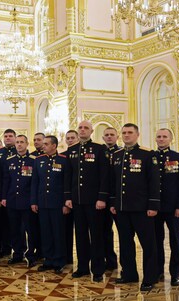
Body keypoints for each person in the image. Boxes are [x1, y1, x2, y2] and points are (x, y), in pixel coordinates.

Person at [109, 123, 160, 291]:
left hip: (142, 208)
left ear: (137, 135)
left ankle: (150, 277)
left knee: (148, 244)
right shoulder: (117, 155)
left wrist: (153, 205)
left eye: (130, 132)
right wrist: (113, 202)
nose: (126, 135)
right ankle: (129, 273)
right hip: (122, 208)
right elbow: (114, 182)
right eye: (124, 133)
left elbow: (154, 182)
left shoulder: (147, 154)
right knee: (125, 243)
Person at [65, 121, 109, 282]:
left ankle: (97, 269)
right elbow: (68, 176)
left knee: (96, 235)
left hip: (94, 201)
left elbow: (104, 175)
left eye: (86, 128)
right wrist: (68, 197)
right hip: (77, 200)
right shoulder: (72, 150)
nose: (82, 130)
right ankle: (82, 267)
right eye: (80, 128)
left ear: (91, 131)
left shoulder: (99, 149)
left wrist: (102, 197)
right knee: (81, 235)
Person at [154, 128, 179, 287]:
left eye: (164, 137)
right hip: (155, 207)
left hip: (174, 207)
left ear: (170, 139)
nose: (161, 139)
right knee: (156, 241)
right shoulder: (151, 157)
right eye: (159, 137)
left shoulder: (178, 157)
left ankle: (175, 274)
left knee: (176, 241)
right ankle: (157, 270)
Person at [31, 135, 70, 273]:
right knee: (46, 233)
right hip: (43, 203)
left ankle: (59, 261)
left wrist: (66, 203)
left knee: (58, 232)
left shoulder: (64, 160)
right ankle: (48, 260)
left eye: (46, 144)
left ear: (54, 146)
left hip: (58, 204)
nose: (43, 146)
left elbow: (67, 183)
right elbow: (35, 182)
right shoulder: (39, 160)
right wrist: (34, 201)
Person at [2, 135, 38, 267]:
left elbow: (35, 183)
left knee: (31, 230)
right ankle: (17, 253)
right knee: (15, 229)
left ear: (27, 144)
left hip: (28, 201)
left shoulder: (34, 160)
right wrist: (4, 197)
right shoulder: (9, 160)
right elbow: (6, 180)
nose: (19, 145)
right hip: (12, 200)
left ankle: (31, 255)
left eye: (22, 142)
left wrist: (34, 200)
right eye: (17, 142)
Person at [0, 129, 17, 257]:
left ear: (15, 137)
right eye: (6, 136)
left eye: (10, 136)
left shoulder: (18, 151)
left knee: (14, 223)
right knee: (1, 222)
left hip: (14, 192)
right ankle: (4, 248)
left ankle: (17, 249)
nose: (7, 138)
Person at [101, 127, 120, 270]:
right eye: (106, 135)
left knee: (123, 232)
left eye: (111, 135)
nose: (109, 137)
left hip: (118, 199)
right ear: (102, 138)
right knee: (104, 231)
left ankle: (118, 262)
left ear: (117, 137)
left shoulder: (121, 153)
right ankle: (107, 259)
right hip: (103, 199)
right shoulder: (100, 152)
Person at [61, 130, 80, 265]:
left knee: (81, 233)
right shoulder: (62, 156)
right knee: (66, 231)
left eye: (73, 137)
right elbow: (63, 181)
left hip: (81, 199)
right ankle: (67, 257)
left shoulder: (83, 153)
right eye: (68, 138)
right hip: (67, 200)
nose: (70, 140)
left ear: (78, 138)